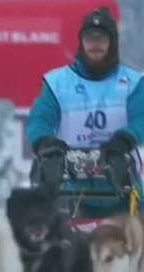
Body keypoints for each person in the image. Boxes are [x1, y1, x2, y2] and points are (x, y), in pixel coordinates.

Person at [25, 7, 144, 217]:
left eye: (102, 39)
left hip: (124, 191)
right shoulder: (57, 83)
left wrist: (125, 139)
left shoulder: (133, 83)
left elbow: (141, 117)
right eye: (90, 39)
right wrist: (45, 142)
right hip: (70, 191)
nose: (95, 45)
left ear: (112, 43)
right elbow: (40, 118)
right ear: (81, 42)